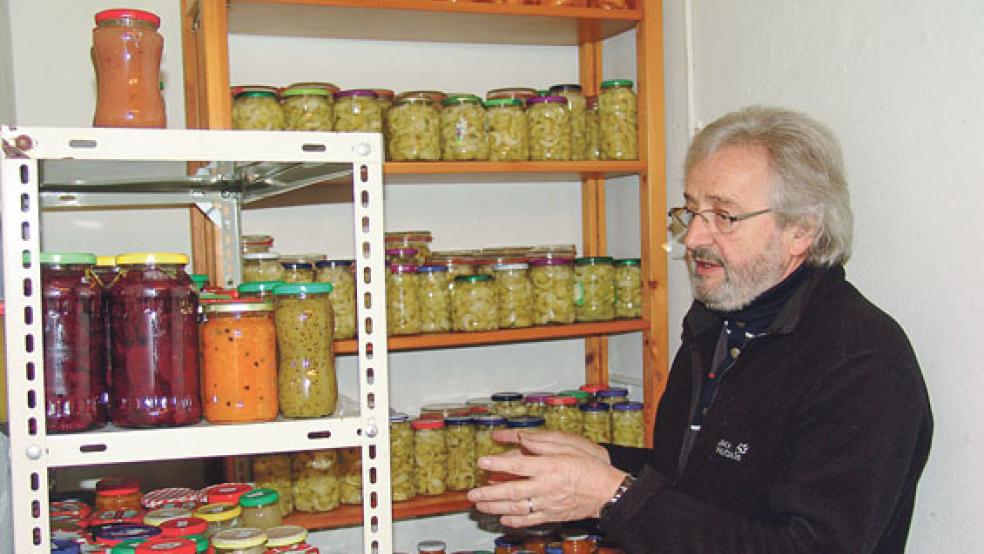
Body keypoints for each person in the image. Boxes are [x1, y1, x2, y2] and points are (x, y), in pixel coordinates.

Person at [467, 106, 933, 553]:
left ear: (800, 231)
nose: (692, 239)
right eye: (691, 212)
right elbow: (693, 488)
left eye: (724, 216)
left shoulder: (863, 362)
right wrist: (600, 464)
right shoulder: (718, 325)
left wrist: (611, 495)